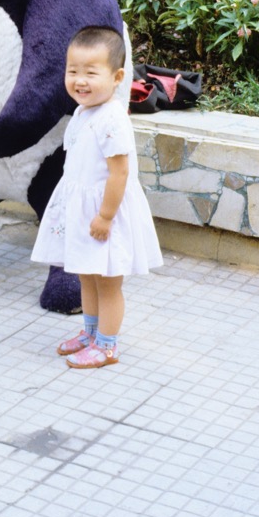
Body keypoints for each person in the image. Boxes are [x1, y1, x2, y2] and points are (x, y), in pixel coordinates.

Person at [31, 25, 163, 368]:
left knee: (107, 284)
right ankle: (90, 333)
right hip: (84, 211)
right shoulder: (83, 111)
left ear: (118, 76)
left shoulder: (112, 119)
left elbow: (120, 173)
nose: (80, 80)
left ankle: (107, 345)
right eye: (73, 71)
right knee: (85, 276)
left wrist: (105, 216)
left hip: (106, 214)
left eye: (91, 72)